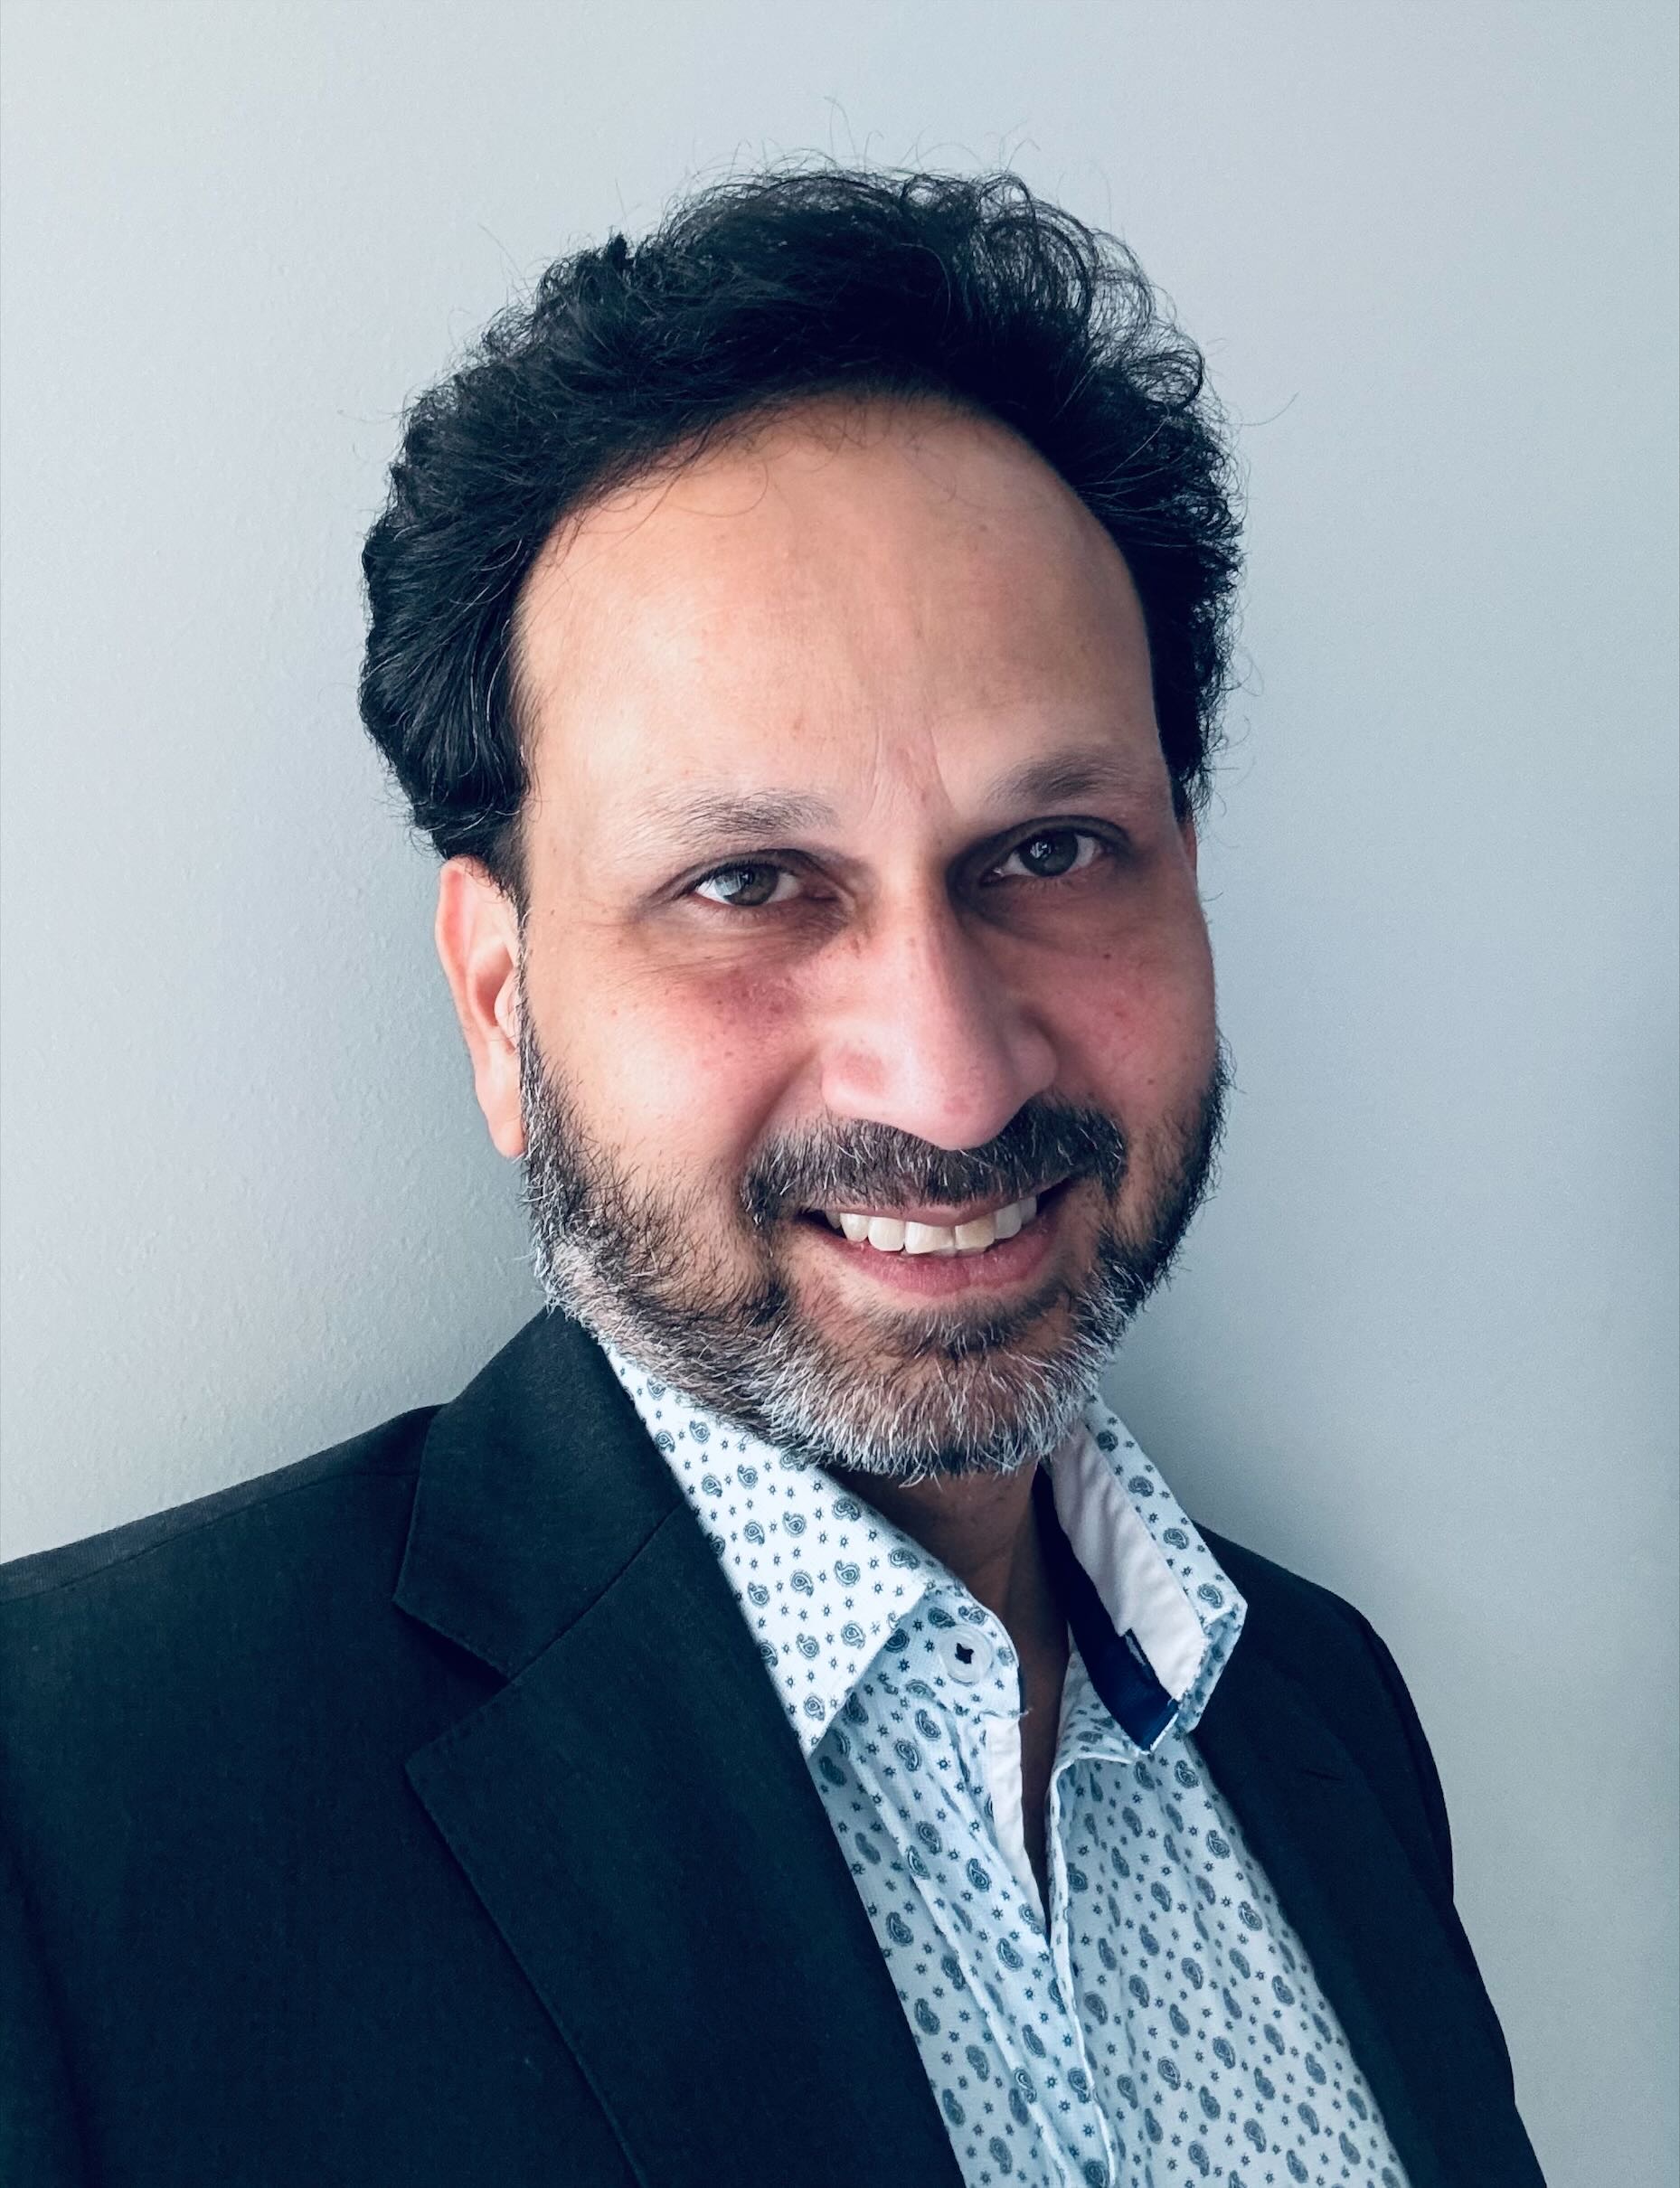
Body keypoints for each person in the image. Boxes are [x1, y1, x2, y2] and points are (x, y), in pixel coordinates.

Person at [0, 167, 1545, 2188]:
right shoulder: (64, 1804)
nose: (950, 1078)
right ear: (500, 1000)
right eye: (747, 884)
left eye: (1050, 849)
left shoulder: (1325, 1713)